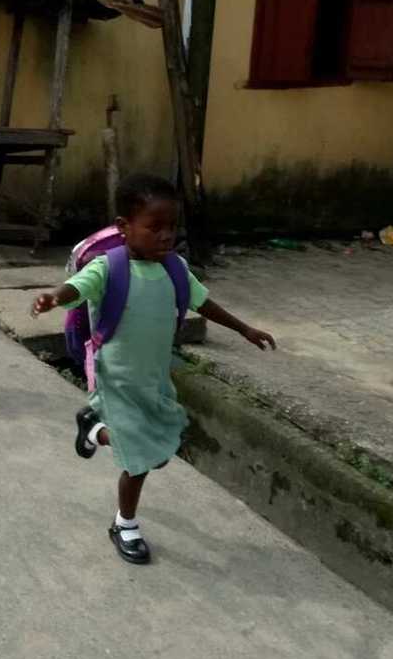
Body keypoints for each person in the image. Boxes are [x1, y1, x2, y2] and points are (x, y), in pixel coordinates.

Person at [31, 172, 276, 565]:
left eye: (172, 227)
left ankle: (93, 429)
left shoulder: (176, 269)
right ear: (125, 228)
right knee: (141, 459)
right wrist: (52, 297)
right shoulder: (109, 269)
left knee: (159, 451)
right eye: (155, 227)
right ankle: (124, 524)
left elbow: (203, 302)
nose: (166, 236)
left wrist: (244, 329)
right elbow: (75, 287)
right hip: (116, 380)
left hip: (154, 380)